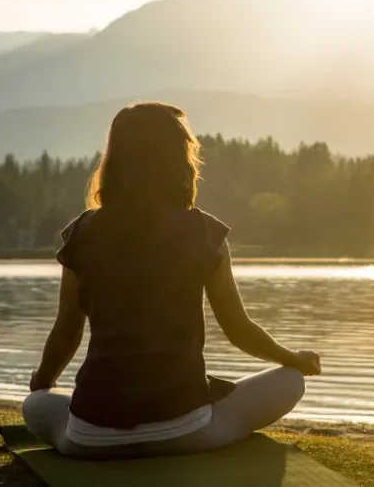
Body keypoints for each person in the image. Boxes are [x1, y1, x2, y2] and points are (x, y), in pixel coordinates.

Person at [20, 102, 321, 459]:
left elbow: (66, 331)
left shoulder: (82, 232)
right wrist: (294, 359)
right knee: (290, 381)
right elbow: (238, 328)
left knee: (36, 404)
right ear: (180, 157)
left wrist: (43, 380)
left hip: (90, 438)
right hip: (185, 430)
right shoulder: (204, 232)